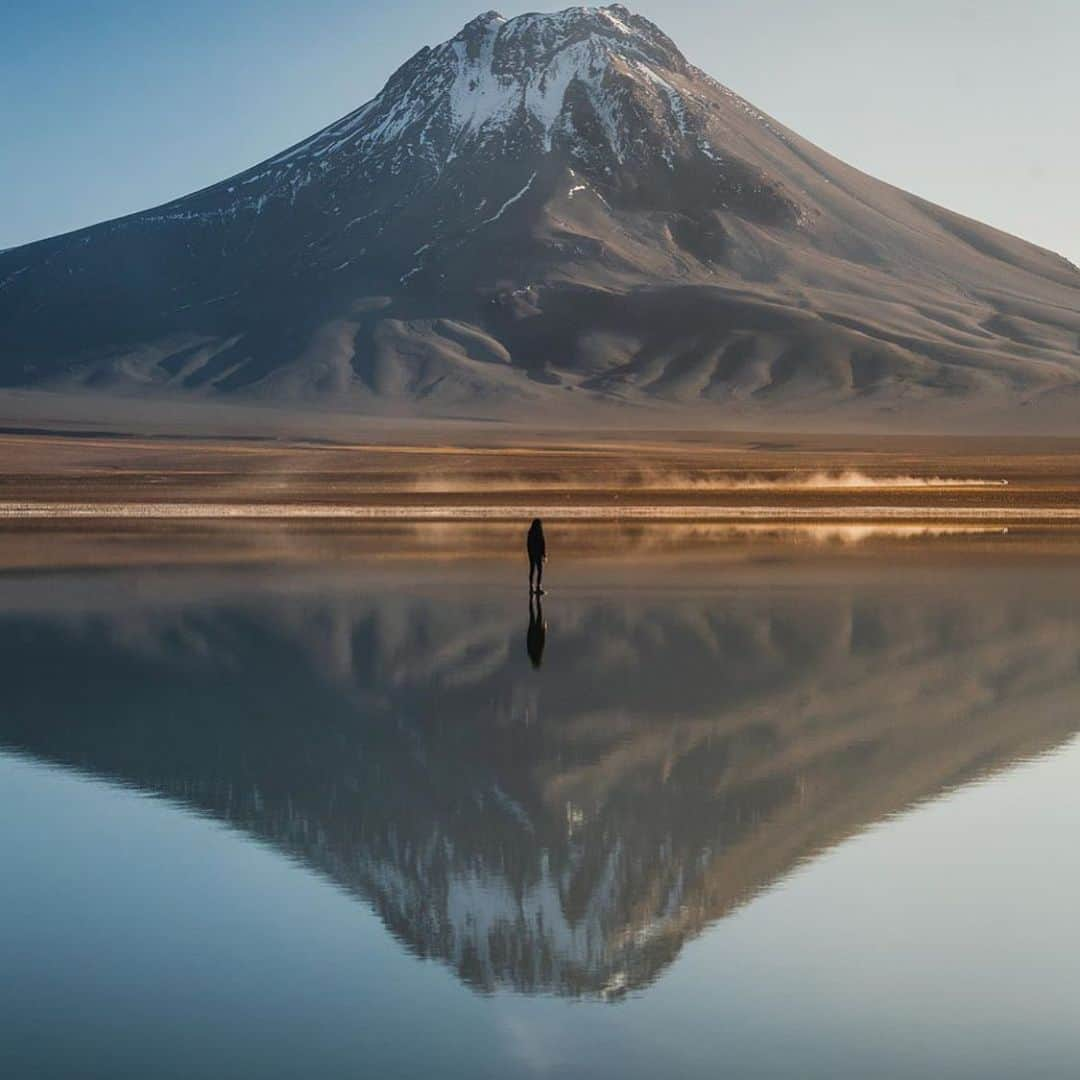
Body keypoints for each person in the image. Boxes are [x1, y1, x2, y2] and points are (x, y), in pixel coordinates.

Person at [526, 518, 546, 594]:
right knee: (534, 570)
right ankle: (532, 586)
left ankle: (537, 586)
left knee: (538, 570)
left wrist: (544, 554)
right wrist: (531, 553)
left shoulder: (539, 532)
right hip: (534, 554)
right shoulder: (532, 533)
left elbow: (543, 544)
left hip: (537, 554)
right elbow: (529, 544)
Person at [526, 593, 546, 669]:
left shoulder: (532, 652)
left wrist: (543, 629)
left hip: (534, 630)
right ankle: (534, 600)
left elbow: (529, 640)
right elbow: (542, 640)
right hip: (536, 630)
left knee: (535, 613)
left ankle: (534, 599)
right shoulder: (533, 652)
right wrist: (543, 629)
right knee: (534, 613)